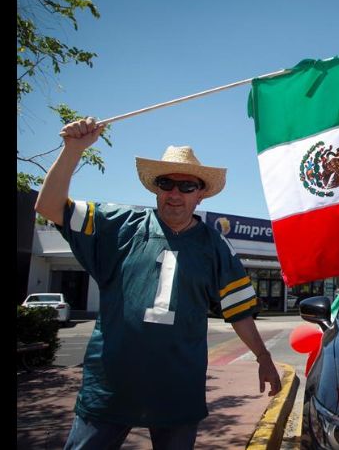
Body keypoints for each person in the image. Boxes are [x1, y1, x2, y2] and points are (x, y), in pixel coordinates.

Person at [34, 117, 282, 449]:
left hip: (177, 391)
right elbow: (49, 207)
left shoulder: (216, 246)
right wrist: (73, 149)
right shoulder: (118, 224)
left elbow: (238, 312)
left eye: (187, 186)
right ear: (156, 189)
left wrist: (263, 357)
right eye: (166, 184)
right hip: (109, 388)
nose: (175, 193)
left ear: (200, 195)